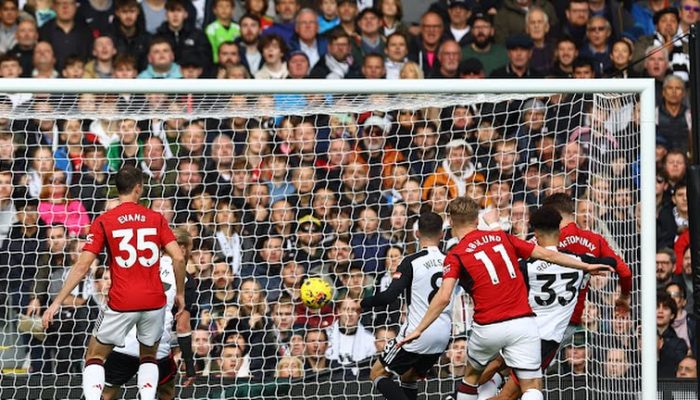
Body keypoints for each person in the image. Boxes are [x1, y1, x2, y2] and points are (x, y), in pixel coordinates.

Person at [399, 196, 611, 400]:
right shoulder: (503, 237)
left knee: (472, 378)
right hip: (523, 324)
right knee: (532, 386)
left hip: (487, 327)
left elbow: (444, 297)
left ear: (451, 222)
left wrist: (418, 329)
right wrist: (586, 265)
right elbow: (547, 254)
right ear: (476, 219)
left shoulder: (455, 254)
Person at [41, 166, 187, 400]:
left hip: (122, 301)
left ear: (117, 189)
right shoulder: (156, 219)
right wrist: (180, 293)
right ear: (139, 188)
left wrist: (55, 302)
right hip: (154, 302)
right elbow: (179, 257)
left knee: (95, 356)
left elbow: (82, 265)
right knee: (149, 355)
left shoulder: (105, 220)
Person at [476, 206, 617, 400]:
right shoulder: (579, 262)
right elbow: (613, 262)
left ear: (535, 234)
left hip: (520, 331)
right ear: (559, 232)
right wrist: (593, 265)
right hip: (544, 341)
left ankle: (458, 394)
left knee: (494, 366)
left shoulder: (527, 266)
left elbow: (505, 259)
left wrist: (494, 227)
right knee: (509, 396)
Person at [361, 211, 452, 400]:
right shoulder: (450, 260)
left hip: (416, 334)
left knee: (377, 373)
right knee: (408, 377)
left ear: (416, 233)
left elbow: (388, 296)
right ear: (442, 234)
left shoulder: (411, 262)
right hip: (443, 336)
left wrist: (362, 303)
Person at [102, 228, 197, 400]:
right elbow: (183, 325)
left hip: (125, 341)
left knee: (107, 393)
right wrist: (190, 365)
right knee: (167, 390)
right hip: (155, 347)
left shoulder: (140, 265)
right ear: (182, 248)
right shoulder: (186, 280)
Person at [541, 193, 632, 333]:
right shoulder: (596, 240)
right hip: (573, 320)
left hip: (544, 319)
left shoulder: (544, 241)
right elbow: (625, 272)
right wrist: (624, 297)